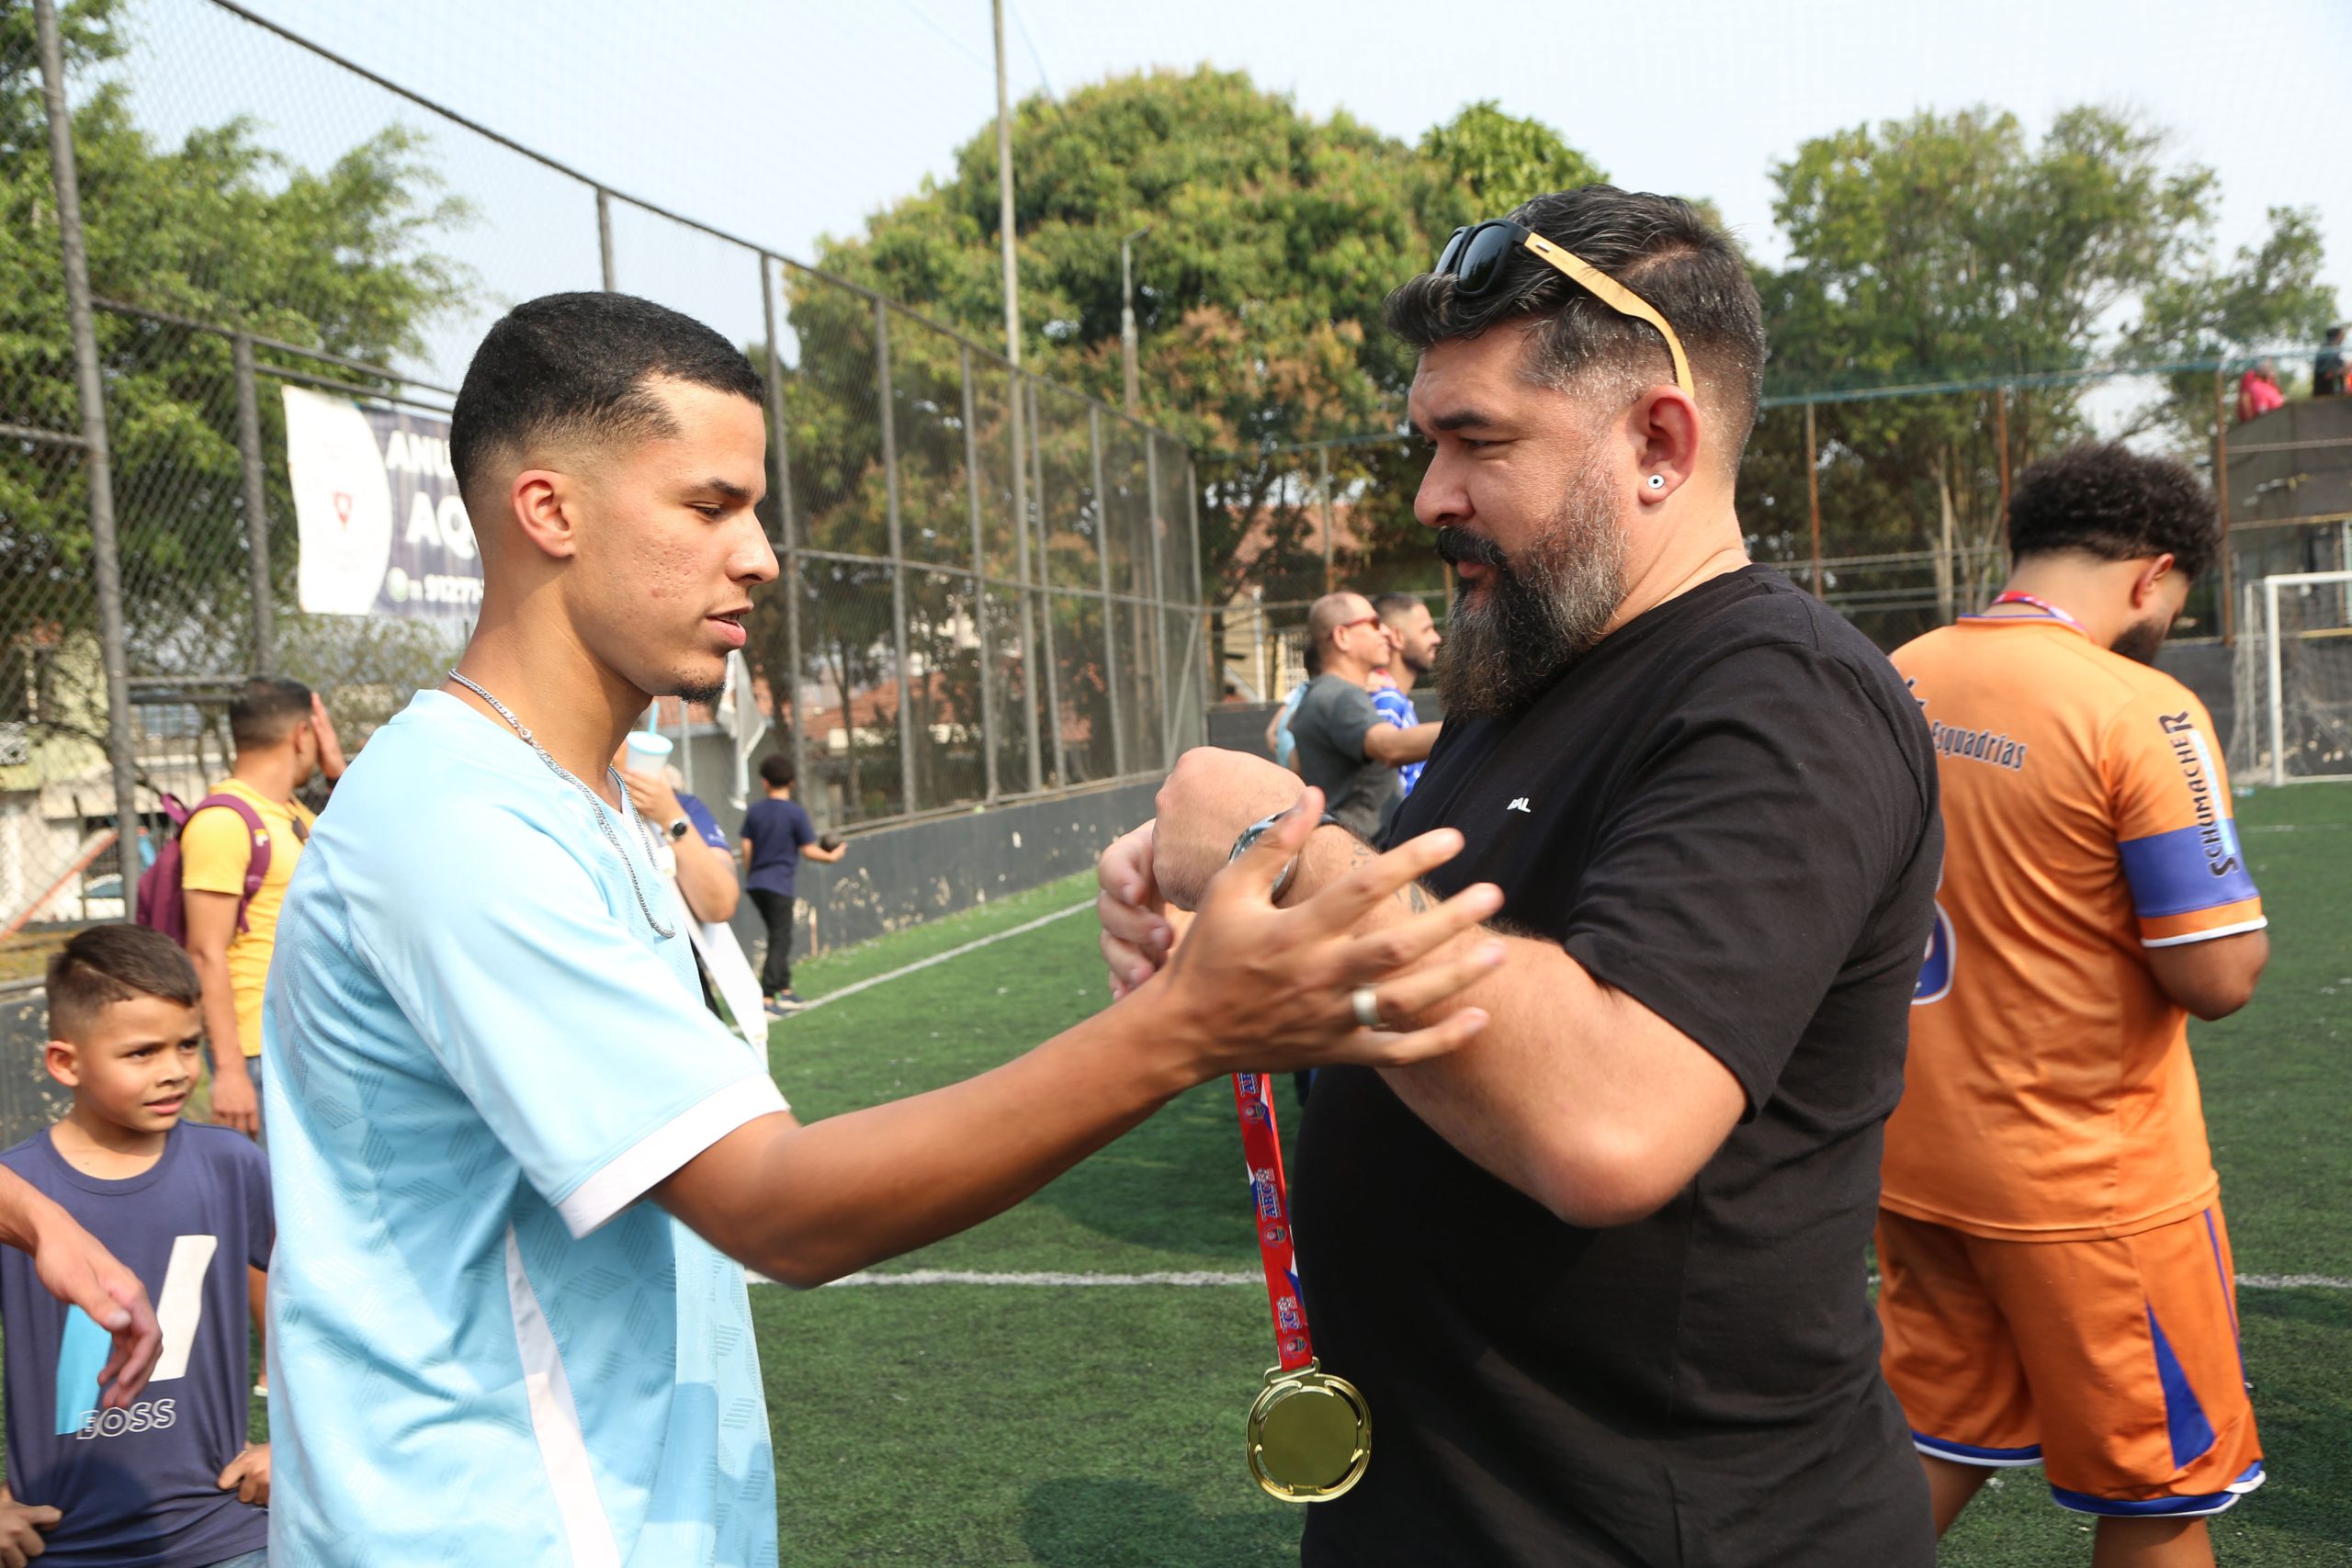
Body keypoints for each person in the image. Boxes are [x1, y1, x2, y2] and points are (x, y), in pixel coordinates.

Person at [260, 290, 1504, 1565]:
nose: (760, 555)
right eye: (708, 505)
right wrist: (1185, 1029)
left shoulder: (582, 795)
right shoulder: (458, 821)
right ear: (549, 511)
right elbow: (778, 1204)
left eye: (754, 508)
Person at [1098, 186, 1946, 1564]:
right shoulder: (1527, 667)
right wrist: (1232, 938)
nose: (1431, 494)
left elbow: (1611, 1116)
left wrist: (1285, 851)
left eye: (1476, 440)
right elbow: (1441, 979)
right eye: (1427, 440)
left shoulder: (1781, 692)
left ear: (1658, 440)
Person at [1881, 444, 2269, 1563]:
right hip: (2089, 1187)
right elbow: (2217, 976)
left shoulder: (1897, 670)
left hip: (1915, 1158)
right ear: (2153, 576)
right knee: (2158, 1496)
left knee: (1928, 1442)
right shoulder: (2139, 707)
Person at [0, 925, 270, 1568]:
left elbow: (297, 1313)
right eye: (142, 1052)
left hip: (227, 1529)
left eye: (188, 1045)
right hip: (61, 1543)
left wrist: (292, 1439)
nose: (175, 1069)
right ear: (66, 1062)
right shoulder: (18, 1192)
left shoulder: (231, 1163)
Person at [180, 677, 345, 1139]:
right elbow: (204, 953)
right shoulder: (224, 821)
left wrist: (338, 775)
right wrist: (230, 1073)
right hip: (258, 1053)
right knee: (272, 1206)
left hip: (309, 1038)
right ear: (302, 734)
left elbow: (368, 860)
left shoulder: (292, 813)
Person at [1285, 591, 1442, 840]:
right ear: (1342, 636)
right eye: (1374, 623)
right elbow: (1390, 747)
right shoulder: (1341, 695)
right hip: (1369, 852)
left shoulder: (1319, 696)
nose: (1387, 632)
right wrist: (1467, 726)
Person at [739, 752, 842, 1015]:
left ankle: (784, 989)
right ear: (793, 783)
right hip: (779, 885)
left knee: (779, 933)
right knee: (780, 937)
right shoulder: (795, 813)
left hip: (757, 884)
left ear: (764, 782)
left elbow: (746, 847)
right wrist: (831, 857)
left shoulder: (756, 811)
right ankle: (768, 997)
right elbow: (809, 850)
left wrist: (752, 876)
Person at [1369, 592, 1442, 797]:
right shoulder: (1386, 700)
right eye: (1426, 630)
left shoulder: (1395, 699)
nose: (1436, 638)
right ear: (1398, 637)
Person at [2234, 359, 2283, 423]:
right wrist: (2250, 420)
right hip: (2258, 419)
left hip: (2275, 416)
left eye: (2270, 366)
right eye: (2266, 364)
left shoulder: (2269, 380)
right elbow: (2245, 397)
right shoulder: (2251, 376)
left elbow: (2279, 397)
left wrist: (2274, 379)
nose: (2269, 367)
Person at [2314, 325, 2346, 399]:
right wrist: (2343, 369)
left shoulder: (2331, 350)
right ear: (2338, 336)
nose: (2343, 337)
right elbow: (2328, 374)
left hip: (2330, 395)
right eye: (2342, 335)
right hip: (2326, 395)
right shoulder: (2328, 350)